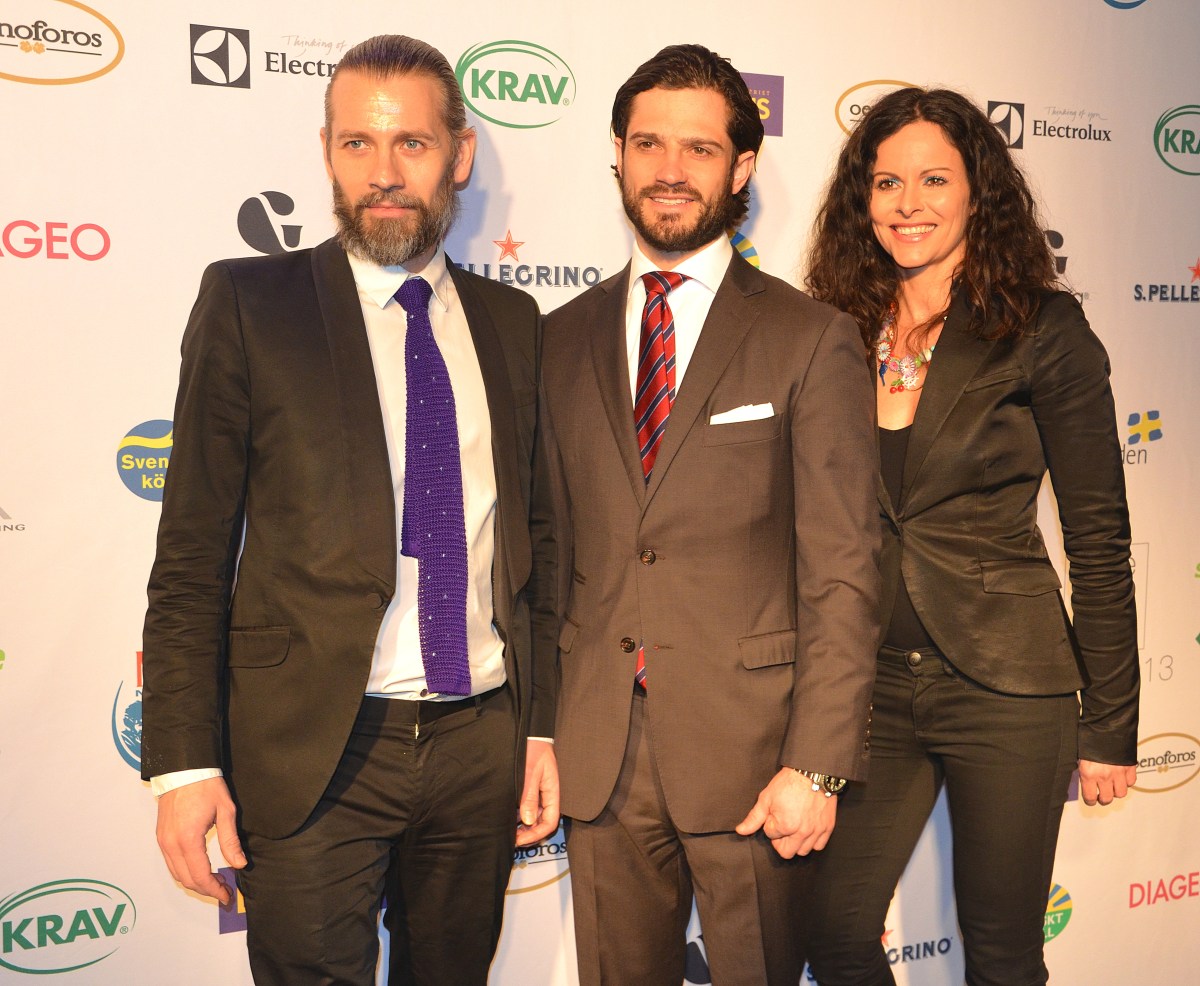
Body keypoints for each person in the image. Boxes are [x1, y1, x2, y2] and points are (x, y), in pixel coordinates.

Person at [141, 34, 559, 986]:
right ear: (327, 152)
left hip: (478, 742)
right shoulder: (251, 303)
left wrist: (537, 728)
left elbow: (536, 544)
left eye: (412, 143)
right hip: (314, 749)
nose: (384, 174)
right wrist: (183, 765)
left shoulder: (512, 324)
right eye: (357, 144)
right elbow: (192, 555)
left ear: (459, 155)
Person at [539, 44, 881, 986]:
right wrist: (539, 732)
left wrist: (817, 766)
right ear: (617, 154)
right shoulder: (557, 338)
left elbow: (845, 569)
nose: (670, 169)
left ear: (742, 167)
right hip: (600, 752)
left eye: (699, 148)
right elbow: (546, 554)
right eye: (649, 143)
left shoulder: (810, 338)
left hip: (757, 758)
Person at [802, 87, 1139, 986]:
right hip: (871, 685)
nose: (908, 203)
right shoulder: (833, 332)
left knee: (1001, 954)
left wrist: (1110, 724)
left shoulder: (1042, 328)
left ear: (977, 191)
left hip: (1009, 686)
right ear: (862, 199)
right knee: (833, 935)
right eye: (887, 182)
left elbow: (1098, 538)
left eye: (934, 180)